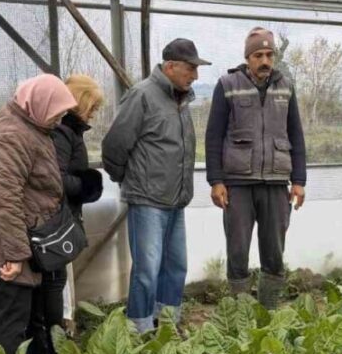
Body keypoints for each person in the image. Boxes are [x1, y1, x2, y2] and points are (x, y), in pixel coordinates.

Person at [0, 74, 75, 354]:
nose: (59, 119)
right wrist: (16, 254)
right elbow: (4, 199)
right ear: (38, 103)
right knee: (11, 320)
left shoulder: (27, 124)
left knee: (0, 315)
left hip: (9, 235)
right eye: (56, 112)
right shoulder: (11, 134)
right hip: (2, 240)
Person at [102, 38, 207, 333]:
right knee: (147, 270)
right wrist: (130, 179)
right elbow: (114, 146)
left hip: (176, 199)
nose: (195, 75)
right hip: (147, 200)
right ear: (170, 66)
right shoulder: (142, 95)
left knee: (176, 266)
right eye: (190, 68)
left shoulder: (181, 99)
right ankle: (140, 328)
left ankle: (167, 323)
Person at [204, 27, 307, 309]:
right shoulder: (228, 85)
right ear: (247, 57)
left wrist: (299, 180)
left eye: (269, 55)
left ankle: (268, 312)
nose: (265, 60)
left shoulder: (286, 86)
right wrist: (216, 181)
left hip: (276, 182)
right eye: (258, 55)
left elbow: (296, 135)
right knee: (237, 251)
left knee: (274, 252)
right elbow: (213, 136)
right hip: (238, 184)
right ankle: (241, 315)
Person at [26, 74, 104, 354]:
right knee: (53, 282)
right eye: (93, 105)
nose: (94, 112)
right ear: (80, 100)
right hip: (53, 220)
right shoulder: (63, 131)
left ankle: (44, 344)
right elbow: (53, 178)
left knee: (50, 282)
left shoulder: (67, 130)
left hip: (58, 215)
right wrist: (85, 185)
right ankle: (52, 347)